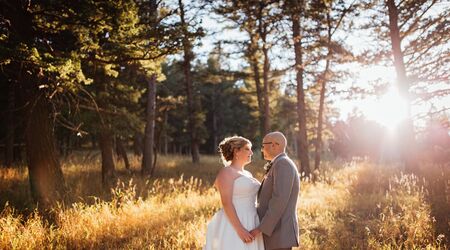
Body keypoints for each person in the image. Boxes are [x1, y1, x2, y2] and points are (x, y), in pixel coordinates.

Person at [204, 136, 265, 250]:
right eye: (247, 149)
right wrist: (240, 230)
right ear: (236, 151)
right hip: (235, 222)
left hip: (251, 220)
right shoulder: (226, 172)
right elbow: (226, 203)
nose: (251, 152)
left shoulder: (247, 173)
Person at [250, 131, 300, 250]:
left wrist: (261, 228)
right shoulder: (278, 163)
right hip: (275, 232)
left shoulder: (283, 164)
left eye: (263, 145)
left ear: (273, 145)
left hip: (278, 232)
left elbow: (279, 200)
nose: (262, 150)